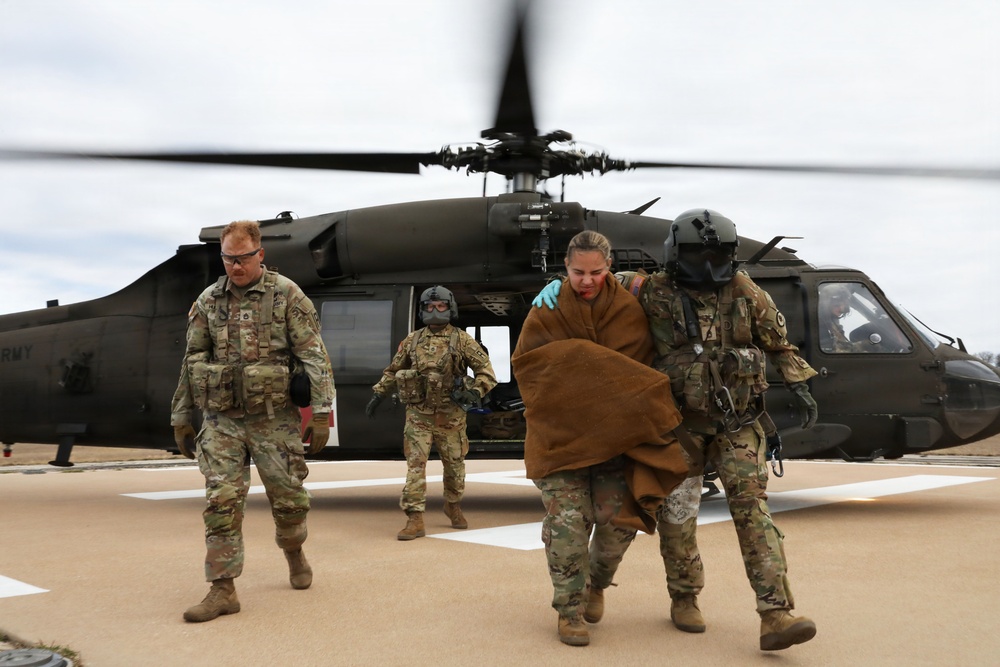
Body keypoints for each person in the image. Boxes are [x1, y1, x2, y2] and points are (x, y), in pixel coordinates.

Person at [534, 209, 820, 651]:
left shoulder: (745, 291)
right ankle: (637, 590)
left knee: (752, 510)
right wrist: (556, 286)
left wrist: (800, 384)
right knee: (665, 515)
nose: (706, 264)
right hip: (677, 425)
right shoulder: (648, 289)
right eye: (695, 254)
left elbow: (778, 343)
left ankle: (775, 613)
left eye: (715, 255)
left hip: (737, 423)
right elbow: (595, 283)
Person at [513, 231, 687, 647]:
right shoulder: (546, 310)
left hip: (615, 440)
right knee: (567, 524)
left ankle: (596, 584)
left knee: (618, 522)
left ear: (609, 268)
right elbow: (531, 369)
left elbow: (635, 377)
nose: (586, 281)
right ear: (565, 268)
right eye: (577, 272)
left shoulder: (628, 310)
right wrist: (583, 364)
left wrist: (585, 369)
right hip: (559, 440)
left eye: (595, 272)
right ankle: (569, 612)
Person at [170, 220, 335, 623]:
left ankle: (293, 550)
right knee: (221, 501)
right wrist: (181, 414)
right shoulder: (208, 301)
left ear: (260, 254)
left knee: (290, 501)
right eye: (228, 258)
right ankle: (223, 589)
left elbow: (314, 356)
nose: (236, 266)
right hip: (222, 420)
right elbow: (192, 360)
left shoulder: (287, 295)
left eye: (243, 258)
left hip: (274, 419)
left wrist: (321, 413)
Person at [366, 285, 497, 540]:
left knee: (454, 466)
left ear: (450, 308)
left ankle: (453, 505)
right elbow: (393, 370)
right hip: (419, 415)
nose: (435, 310)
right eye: (430, 306)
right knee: (415, 466)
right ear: (422, 310)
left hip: (451, 416)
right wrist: (378, 394)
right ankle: (414, 518)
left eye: (440, 306)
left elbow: (487, 372)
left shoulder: (462, 340)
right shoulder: (413, 340)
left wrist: (475, 391)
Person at [818, 283, 855, 353]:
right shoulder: (820, 325)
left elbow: (842, 345)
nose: (842, 309)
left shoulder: (832, 321)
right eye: (837, 305)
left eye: (844, 304)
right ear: (827, 304)